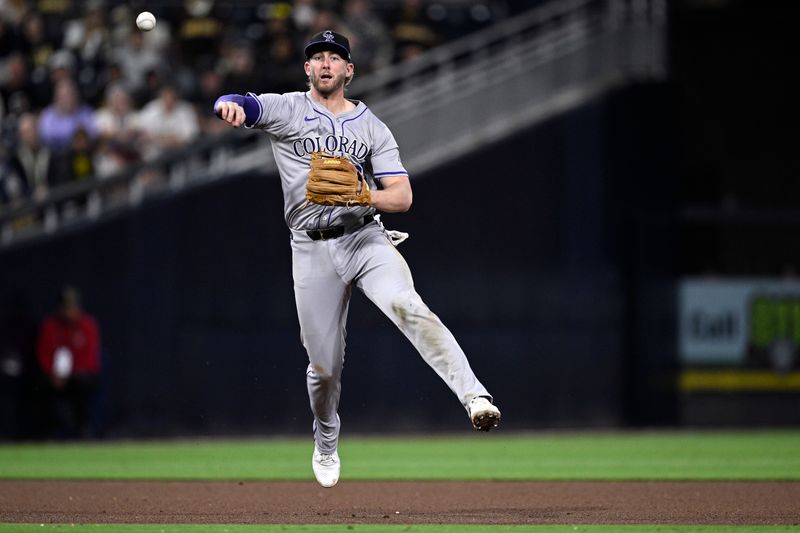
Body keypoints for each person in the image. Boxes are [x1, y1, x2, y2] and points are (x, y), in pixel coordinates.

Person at [214, 30, 500, 488]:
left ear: (349, 70)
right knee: (324, 367)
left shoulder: (371, 127)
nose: (325, 64)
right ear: (307, 68)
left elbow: (402, 197)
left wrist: (363, 193)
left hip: (364, 238)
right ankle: (326, 438)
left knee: (408, 304)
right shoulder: (288, 108)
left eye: (334, 57)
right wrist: (227, 105)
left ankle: (474, 396)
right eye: (317, 58)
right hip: (310, 247)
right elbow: (242, 103)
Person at [36, 286, 101, 438]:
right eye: (66, 307)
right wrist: (55, 375)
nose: (69, 311)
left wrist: (69, 375)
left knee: (84, 383)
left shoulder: (87, 326)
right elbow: (43, 355)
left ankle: (83, 430)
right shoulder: (50, 326)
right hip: (53, 377)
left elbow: (90, 358)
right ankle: (46, 432)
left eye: (72, 307)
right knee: (39, 384)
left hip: (78, 377)